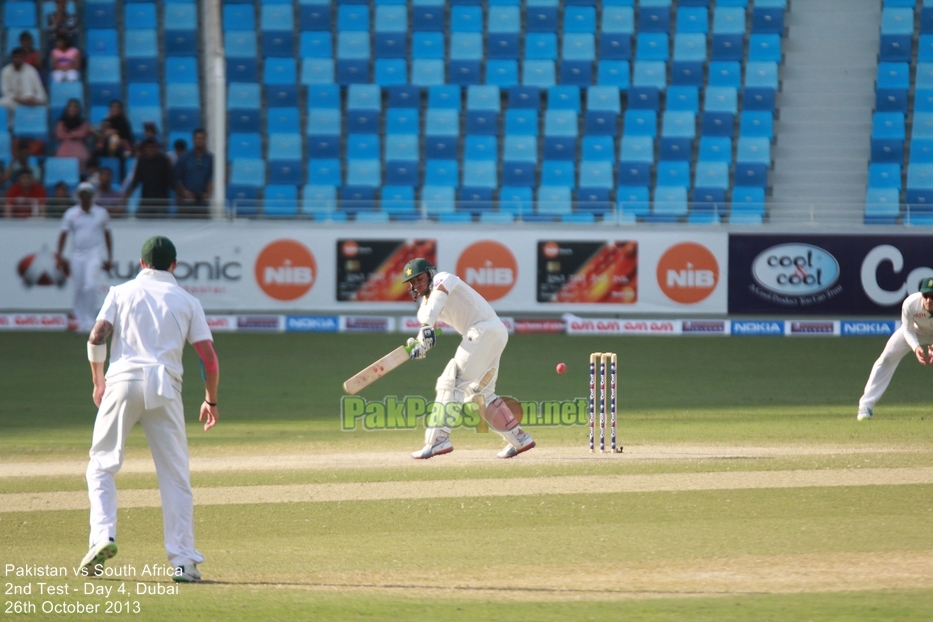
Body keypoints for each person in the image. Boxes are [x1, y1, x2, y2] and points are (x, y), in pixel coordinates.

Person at [80, 236, 219, 583]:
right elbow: (209, 359)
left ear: (142, 264)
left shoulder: (120, 292)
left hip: (122, 382)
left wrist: (99, 381)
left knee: (101, 466)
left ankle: (102, 538)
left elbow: (97, 336)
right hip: (166, 387)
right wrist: (211, 399)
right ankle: (184, 562)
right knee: (175, 476)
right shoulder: (187, 300)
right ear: (174, 265)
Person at [401, 258, 536, 459]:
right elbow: (428, 328)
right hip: (492, 333)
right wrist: (420, 346)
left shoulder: (443, 279)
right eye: (411, 282)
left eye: (419, 278)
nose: (416, 285)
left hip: (483, 329)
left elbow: (436, 303)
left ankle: (438, 440)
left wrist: (426, 327)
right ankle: (519, 438)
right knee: (478, 394)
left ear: (430, 274)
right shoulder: (424, 310)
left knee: (452, 382)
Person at [857, 278, 933, 420]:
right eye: (926, 296)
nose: (929, 301)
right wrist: (916, 347)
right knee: (886, 358)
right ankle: (865, 407)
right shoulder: (911, 303)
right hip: (916, 331)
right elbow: (907, 329)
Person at [56, 182, 113, 332]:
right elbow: (63, 234)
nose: (86, 197)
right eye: (84, 194)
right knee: (79, 288)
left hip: (94, 253)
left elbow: (107, 234)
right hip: (77, 255)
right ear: (79, 196)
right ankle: (81, 322)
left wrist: (109, 257)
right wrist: (59, 256)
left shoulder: (101, 213)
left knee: (91, 285)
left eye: (89, 194)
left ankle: (90, 320)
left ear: (93, 196)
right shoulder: (71, 213)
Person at [125, 139, 174, 218]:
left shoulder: (163, 160)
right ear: (144, 149)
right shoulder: (141, 161)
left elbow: (171, 180)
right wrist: (127, 196)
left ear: (156, 149)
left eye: (152, 147)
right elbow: (136, 181)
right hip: (146, 200)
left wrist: (178, 193)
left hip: (161, 200)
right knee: (139, 218)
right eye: (148, 147)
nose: (150, 149)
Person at [0, 48, 48, 123]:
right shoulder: (6, 71)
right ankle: (10, 127)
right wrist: (19, 99)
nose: (18, 59)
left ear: (23, 58)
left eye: (20, 57)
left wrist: (36, 100)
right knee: (2, 103)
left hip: (29, 101)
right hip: (14, 101)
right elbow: (5, 91)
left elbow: (39, 89)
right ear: (12, 58)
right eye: (16, 57)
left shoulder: (31, 70)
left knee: (42, 99)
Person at [174, 129, 214, 218]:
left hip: (203, 201)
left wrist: (208, 193)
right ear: (193, 140)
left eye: (202, 138)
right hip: (187, 201)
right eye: (197, 138)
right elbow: (177, 178)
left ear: (206, 140)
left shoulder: (210, 158)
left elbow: (212, 177)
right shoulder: (184, 157)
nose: (199, 140)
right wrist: (184, 192)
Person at [55, 99, 91, 172]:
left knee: (81, 158)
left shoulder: (83, 123)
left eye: (75, 107)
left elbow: (82, 133)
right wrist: (74, 135)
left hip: (79, 148)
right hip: (64, 148)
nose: (73, 108)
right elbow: (60, 135)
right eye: (70, 106)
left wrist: (68, 134)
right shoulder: (60, 123)